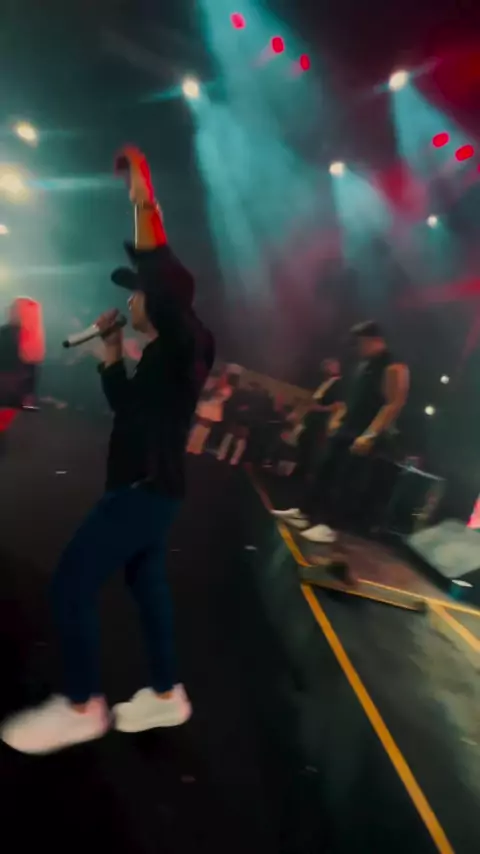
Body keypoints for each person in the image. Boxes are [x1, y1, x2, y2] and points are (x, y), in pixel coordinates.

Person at [1, 145, 214, 754]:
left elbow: (161, 270)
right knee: (147, 585)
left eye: (136, 295)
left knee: (70, 584)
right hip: (150, 487)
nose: (128, 303)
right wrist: (112, 355)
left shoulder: (183, 335)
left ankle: (82, 705)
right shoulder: (166, 355)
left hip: (142, 490)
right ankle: (167, 694)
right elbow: (127, 408)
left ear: (163, 299)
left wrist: (142, 193)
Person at [271, 321, 409, 543]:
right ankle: (304, 514)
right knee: (325, 469)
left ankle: (330, 526)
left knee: (345, 480)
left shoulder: (394, 366)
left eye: (360, 343)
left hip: (364, 433)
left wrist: (370, 435)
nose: (358, 348)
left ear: (374, 340)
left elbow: (394, 403)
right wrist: (338, 419)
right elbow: (352, 398)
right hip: (347, 426)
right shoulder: (364, 365)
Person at [186, 365, 237, 455]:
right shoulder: (216, 383)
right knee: (202, 425)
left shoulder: (227, 388)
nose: (223, 377)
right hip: (209, 405)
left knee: (204, 426)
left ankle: (195, 446)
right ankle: (192, 445)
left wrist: (214, 391)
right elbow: (209, 393)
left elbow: (218, 396)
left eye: (225, 376)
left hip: (212, 407)